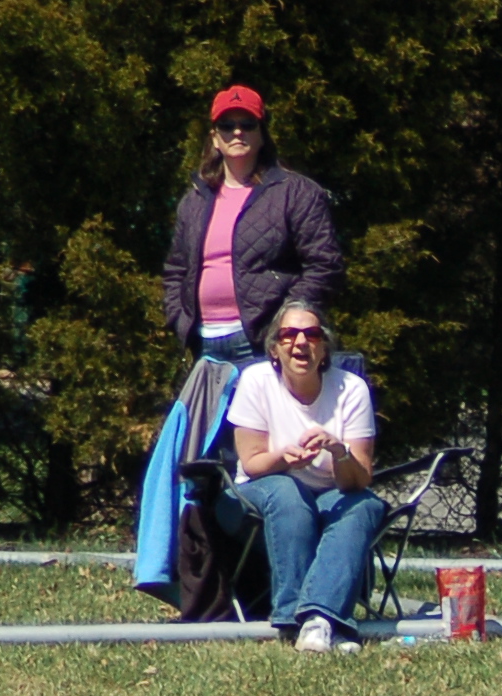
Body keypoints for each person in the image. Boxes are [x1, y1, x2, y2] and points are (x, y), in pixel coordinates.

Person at [220, 303, 382, 651]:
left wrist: (339, 451)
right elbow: (252, 463)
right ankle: (295, 615)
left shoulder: (351, 389)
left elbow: (359, 480)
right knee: (288, 493)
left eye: (311, 334)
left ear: (324, 348)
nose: (300, 342)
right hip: (261, 486)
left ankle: (319, 619)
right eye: (288, 335)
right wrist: (284, 458)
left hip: (332, 489)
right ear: (274, 349)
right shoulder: (257, 381)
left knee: (363, 506)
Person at [161, 87, 344, 365]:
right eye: (227, 126)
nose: (237, 132)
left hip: (265, 345)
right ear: (215, 138)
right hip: (204, 346)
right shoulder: (194, 201)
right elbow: (176, 270)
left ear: (262, 134)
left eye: (247, 124)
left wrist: (284, 323)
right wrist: (180, 320)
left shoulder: (295, 192)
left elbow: (325, 265)